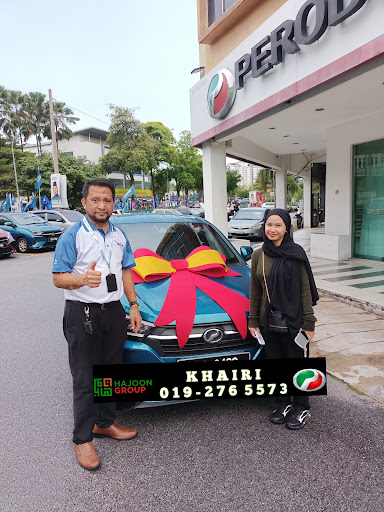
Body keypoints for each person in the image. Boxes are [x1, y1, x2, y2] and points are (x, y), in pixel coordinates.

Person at [52, 178, 142, 470]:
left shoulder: (119, 234)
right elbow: (58, 278)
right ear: (84, 203)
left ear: (114, 203)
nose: (101, 205)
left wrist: (134, 305)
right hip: (82, 314)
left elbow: (126, 270)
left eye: (107, 200)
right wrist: (82, 279)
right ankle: (81, 438)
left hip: (113, 313)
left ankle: (105, 423)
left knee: (109, 373)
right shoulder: (73, 236)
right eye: (95, 200)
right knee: (84, 378)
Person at [248, 208, 318, 430]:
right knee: (276, 362)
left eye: (278, 225)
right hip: (267, 319)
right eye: (269, 225)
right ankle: (282, 403)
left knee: (296, 362)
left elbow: (305, 291)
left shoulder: (296, 253)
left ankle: (301, 406)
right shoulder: (259, 254)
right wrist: (252, 320)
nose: (272, 229)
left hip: (294, 319)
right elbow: (255, 291)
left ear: (287, 228)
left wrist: (309, 322)